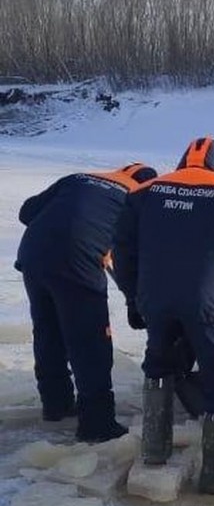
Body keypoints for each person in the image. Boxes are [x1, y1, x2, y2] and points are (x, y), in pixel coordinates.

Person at [113, 137, 214, 494]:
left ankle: (155, 451)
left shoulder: (146, 192)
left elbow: (124, 253)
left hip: (156, 298)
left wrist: (133, 299)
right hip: (211, 303)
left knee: (159, 366)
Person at [14, 163, 157, 442]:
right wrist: (135, 301)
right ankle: (97, 423)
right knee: (90, 339)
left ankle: (56, 405)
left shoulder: (79, 178)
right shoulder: (138, 197)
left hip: (34, 252)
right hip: (77, 259)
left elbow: (26, 212)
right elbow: (132, 258)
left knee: (48, 331)